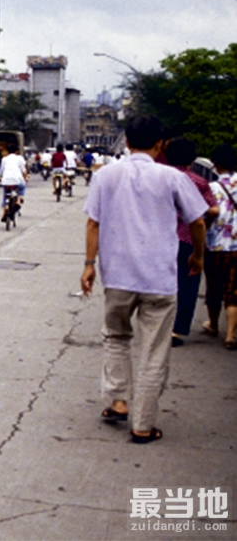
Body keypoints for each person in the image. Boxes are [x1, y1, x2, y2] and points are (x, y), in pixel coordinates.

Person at [80, 115, 207, 444]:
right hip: (159, 278)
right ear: (160, 143)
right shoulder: (173, 177)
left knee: (116, 337)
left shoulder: (105, 175)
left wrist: (89, 265)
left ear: (126, 140)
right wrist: (197, 255)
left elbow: (93, 223)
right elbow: (197, 221)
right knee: (154, 350)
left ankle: (119, 401)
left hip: (117, 275)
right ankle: (144, 425)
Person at [165, 138, 219, 346]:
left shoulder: (160, 178)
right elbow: (213, 210)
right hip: (188, 238)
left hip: (161, 238)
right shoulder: (198, 182)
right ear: (192, 158)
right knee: (187, 283)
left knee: (162, 282)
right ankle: (176, 330)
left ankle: (159, 325)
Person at [204, 144, 237, 350]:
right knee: (233, 290)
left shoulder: (211, 188)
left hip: (215, 245)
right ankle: (231, 334)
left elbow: (207, 214)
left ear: (215, 164)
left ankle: (214, 325)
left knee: (214, 286)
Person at [0, 140, 28, 220]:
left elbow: (1, 171)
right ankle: (18, 201)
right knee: (22, 187)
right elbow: (24, 170)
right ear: (17, 151)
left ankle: (4, 212)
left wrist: (0, 177)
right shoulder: (20, 158)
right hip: (17, 181)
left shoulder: (4, 159)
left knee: (5, 196)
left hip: (6, 181)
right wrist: (25, 177)